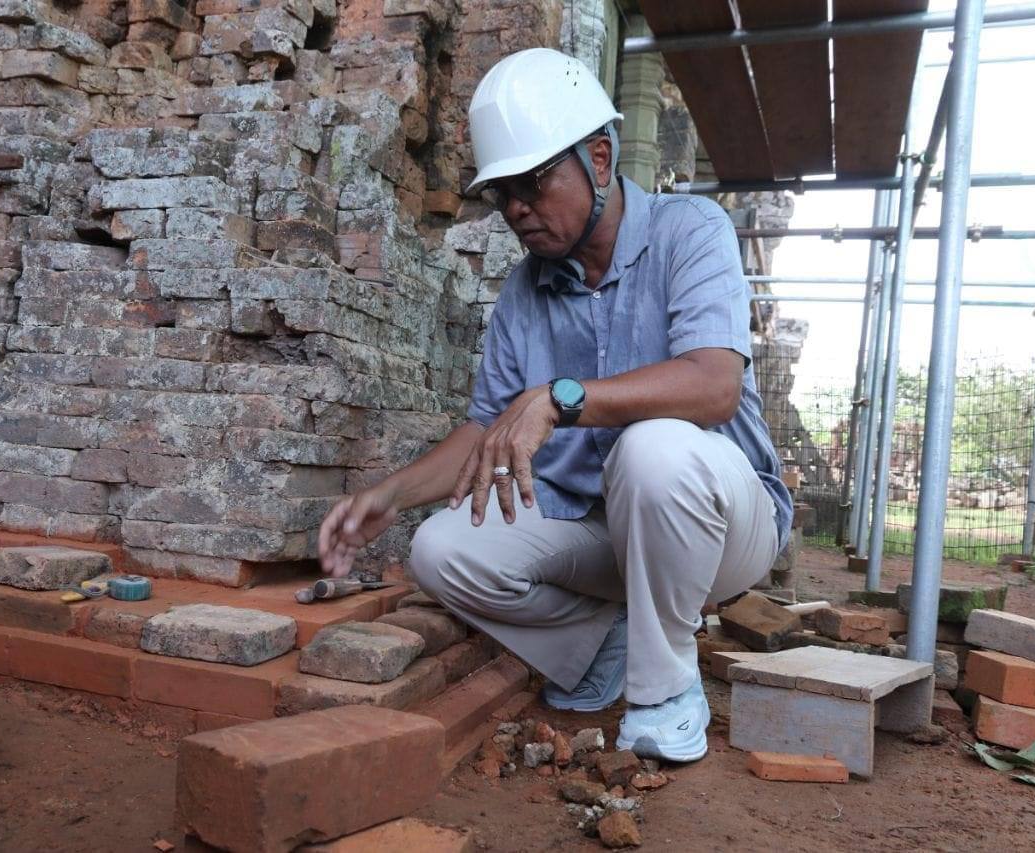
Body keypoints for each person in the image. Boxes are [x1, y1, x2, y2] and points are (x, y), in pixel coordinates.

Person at [316, 47, 791, 764]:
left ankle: (665, 691)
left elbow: (713, 384)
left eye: (533, 183)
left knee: (652, 448)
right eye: (502, 192)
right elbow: (488, 428)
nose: (516, 209)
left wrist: (561, 398)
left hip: (724, 524)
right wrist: (390, 496)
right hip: (604, 530)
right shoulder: (524, 290)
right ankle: (603, 642)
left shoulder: (690, 231)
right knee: (440, 551)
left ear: (599, 159)